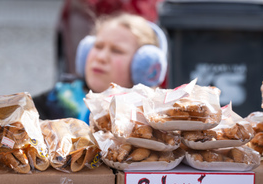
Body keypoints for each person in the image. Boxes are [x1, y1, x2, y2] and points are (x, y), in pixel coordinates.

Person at [33, 12, 167, 122]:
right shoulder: (57, 100)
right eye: (98, 46)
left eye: (117, 51)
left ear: (146, 68)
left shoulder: (152, 121)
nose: (101, 57)